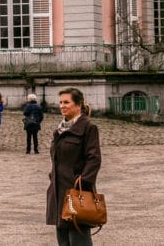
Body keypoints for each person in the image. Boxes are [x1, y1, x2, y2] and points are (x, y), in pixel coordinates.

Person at [47, 87, 101, 246]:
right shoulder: (59, 130)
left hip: (76, 192)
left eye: (66, 102)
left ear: (78, 105)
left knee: (79, 240)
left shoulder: (88, 128)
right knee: (63, 240)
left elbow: (94, 159)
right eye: (60, 102)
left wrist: (83, 182)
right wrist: (52, 177)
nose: (62, 106)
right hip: (58, 191)